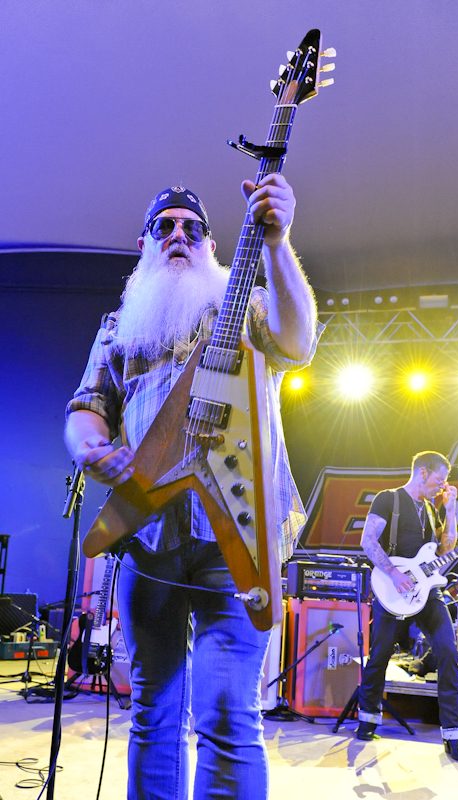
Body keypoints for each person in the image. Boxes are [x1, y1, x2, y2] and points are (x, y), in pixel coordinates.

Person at [64, 175, 321, 800]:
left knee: (230, 715)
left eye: (193, 228)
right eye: (165, 227)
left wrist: (279, 241)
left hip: (237, 537)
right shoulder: (119, 325)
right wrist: (91, 449)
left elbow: (299, 341)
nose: (179, 235)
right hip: (147, 538)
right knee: (153, 713)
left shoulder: (248, 308)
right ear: (146, 243)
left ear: (210, 245)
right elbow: (87, 407)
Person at [357, 451, 458, 763]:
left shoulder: (433, 510)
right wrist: (393, 573)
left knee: (448, 650)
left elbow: (447, 550)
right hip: (393, 589)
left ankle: (454, 736)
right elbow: (368, 541)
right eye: (439, 479)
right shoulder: (388, 499)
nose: (441, 486)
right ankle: (367, 718)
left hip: (427, 593)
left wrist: (450, 510)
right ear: (422, 473)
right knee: (379, 654)